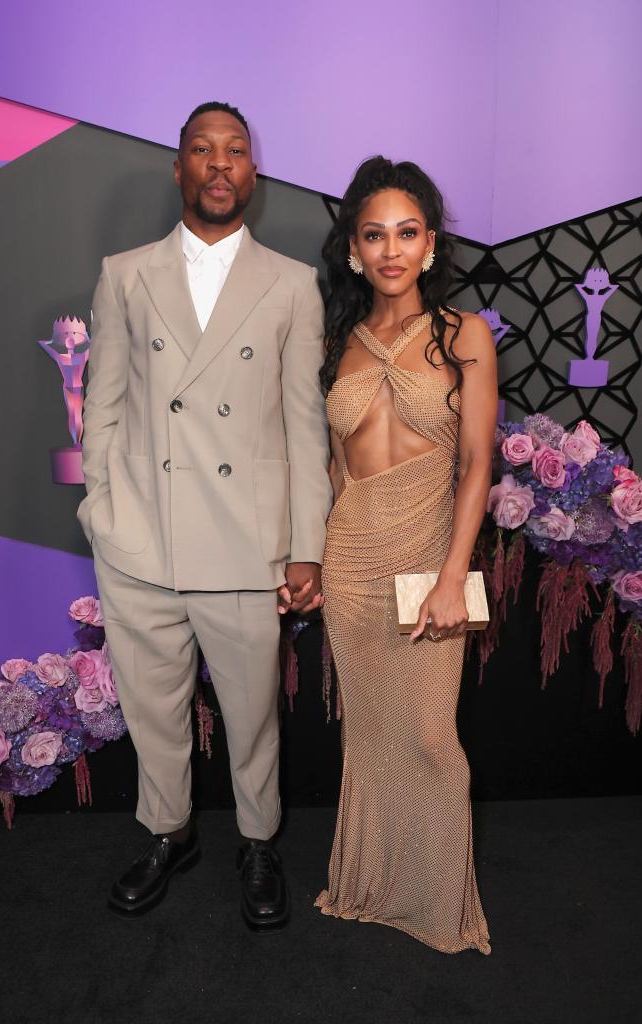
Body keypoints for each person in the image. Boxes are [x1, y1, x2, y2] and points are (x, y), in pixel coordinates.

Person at [78, 101, 331, 927]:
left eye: (235, 152)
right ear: (178, 167)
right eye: (202, 150)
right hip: (143, 540)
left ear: (252, 174)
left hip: (245, 546)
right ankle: (168, 831)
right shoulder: (125, 273)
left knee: (254, 715)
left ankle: (258, 841)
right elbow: (103, 407)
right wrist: (104, 512)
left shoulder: (293, 285)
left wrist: (306, 548)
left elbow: (304, 425)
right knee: (154, 710)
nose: (219, 165)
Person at [314, 157, 495, 954]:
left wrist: (454, 576)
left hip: (428, 561)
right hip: (351, 558)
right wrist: (310, 565)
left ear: (430, 246)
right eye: (374, 234)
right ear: (354, 249)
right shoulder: (339, 343)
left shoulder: (464, 335)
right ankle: (371, 886)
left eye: (408, 232)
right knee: (372, 734)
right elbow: (334, 464)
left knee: (431, 740)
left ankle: (439, 905)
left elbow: (478, 463)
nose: (391, 249)